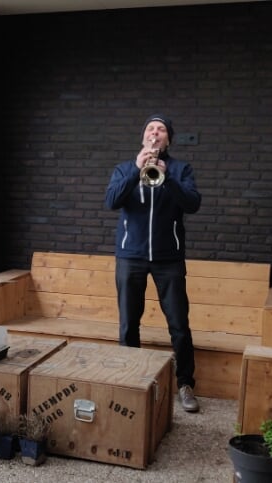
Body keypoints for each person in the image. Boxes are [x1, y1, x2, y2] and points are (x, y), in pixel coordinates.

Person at [104, 114, 202, 413]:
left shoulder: (180, 169)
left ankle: (185, 384)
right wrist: (136, 170)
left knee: (179, 325)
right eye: (150, 129)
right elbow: (112, 201)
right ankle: (132, 381)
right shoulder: (124, 168)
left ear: (168, 139)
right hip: (130, 256)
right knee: (128, 323)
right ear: (143, 137)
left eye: (161, 130)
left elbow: (193, 204)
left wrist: (167, 175)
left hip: (168, 258)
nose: (155, 133)